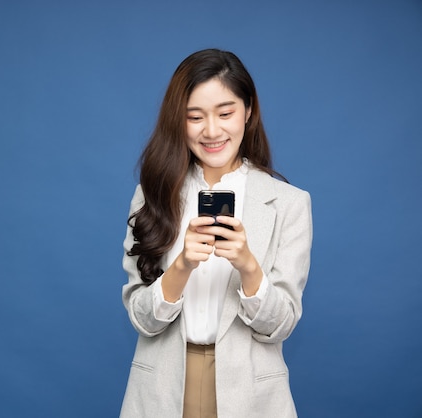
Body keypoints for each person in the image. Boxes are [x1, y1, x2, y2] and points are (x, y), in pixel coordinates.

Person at [119, 48, 313, 418]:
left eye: (225, 113)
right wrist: (181, 265)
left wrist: (249, 268)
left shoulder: (289, 203)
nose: (212, 131)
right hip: (162, 388)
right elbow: (141, 319)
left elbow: (282, 324)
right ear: (179, 120)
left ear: (248, 111)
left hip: (250, 393)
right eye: (195, 117)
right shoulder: (153, 194)